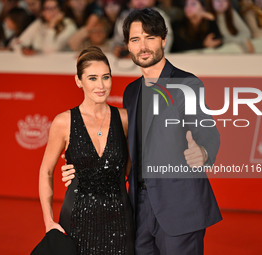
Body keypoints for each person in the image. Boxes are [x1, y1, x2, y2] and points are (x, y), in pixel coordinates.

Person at [121, 8, 221, 254]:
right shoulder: (131, 92)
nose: (143, 46)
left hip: (180, 203)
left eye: (150, 37)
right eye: (135, 39)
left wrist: (204, 152)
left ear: (163, 40)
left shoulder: (187, 84)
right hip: (140, 207)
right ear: (128, 46)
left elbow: (209, 132)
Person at [39, 46, 134, 254]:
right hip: (76, 221)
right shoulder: (63, 122)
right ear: (78, 81)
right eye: (92, 78)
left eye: (106, 77)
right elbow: (46, 171)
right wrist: (48, 221)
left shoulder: (125, 119)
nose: (101, 85)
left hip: (120, 222)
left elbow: (132, 171)